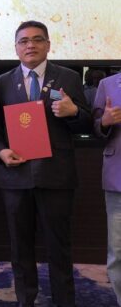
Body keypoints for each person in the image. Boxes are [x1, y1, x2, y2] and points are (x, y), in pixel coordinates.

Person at [0, 20, 90, 307]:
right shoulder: (1, 82)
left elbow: (87, 123)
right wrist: (0, 152)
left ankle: (64, 301)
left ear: (48, 45)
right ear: (16, 48)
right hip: (15, 175)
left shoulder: (68, 77)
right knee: (20, 247)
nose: (30, 45)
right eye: (24, 41)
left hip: (56, 176)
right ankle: (25, 300)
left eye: (37, 39)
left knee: (59, 247)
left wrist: (73, 112)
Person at [92, 72, 121, 306]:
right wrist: (104, 122)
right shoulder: (107, 84)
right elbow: (95, 129)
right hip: (117, 178)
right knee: (118, 252)